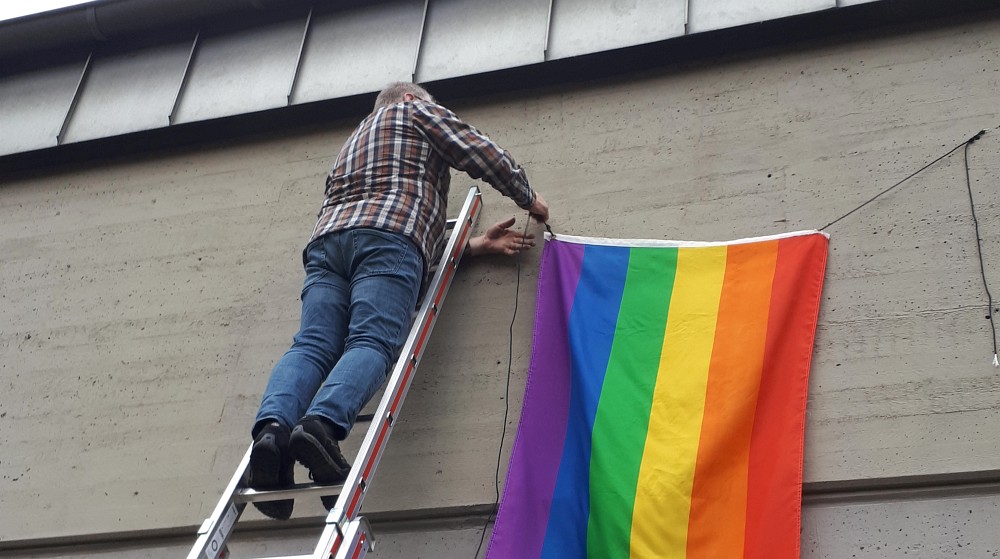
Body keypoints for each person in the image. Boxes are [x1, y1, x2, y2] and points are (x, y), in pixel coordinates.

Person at [248, 82, 550, 520]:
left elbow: (390, 223)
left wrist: (472, 246)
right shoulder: (415, 113)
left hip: (327, 246)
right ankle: (321, 425)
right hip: (388, 240)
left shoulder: (353, 141)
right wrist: (528, 197)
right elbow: (477, 151)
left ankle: (272, 433)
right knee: (372, 341)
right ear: (409, 98)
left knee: (311, 346)